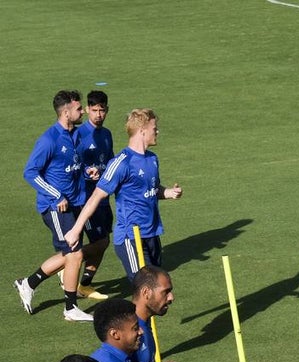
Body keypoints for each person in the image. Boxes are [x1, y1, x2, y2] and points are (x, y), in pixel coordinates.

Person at [65, 109, 183, 282]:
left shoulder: (152, 159)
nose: (157, 131)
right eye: (154, 128)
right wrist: (76, 230)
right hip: (131, 237)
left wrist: (169, 193)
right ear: (142, 131)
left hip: (152, 234)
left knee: (157, 287)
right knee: (146, 286)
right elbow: (96, 196)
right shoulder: (121, 163)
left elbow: (152, 189)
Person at [14, 90, 93, 322]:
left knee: (70, 255)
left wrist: (87, 171)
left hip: (76, 202)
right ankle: (70, 308)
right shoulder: (49, 139)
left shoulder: (76, 135)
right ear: (66, 112)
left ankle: (28, 283)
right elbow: (30, 172)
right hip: (56, 207)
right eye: (78, 108)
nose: (83, 111)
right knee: (74, 254)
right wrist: (56, 195)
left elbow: (74, 164)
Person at [72, 90, 114, 300]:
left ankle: (84, 285)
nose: (99, 114)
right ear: (88, 109)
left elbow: (110, 162)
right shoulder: (78, 134)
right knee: (101, 242)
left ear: (107, 110)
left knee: (104, 241)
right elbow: (70, 165)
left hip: (103, 198)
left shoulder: (106, 134)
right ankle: (67, 262)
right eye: (95, 110)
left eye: (102, 110)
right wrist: (86, 171)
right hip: (85, 198)